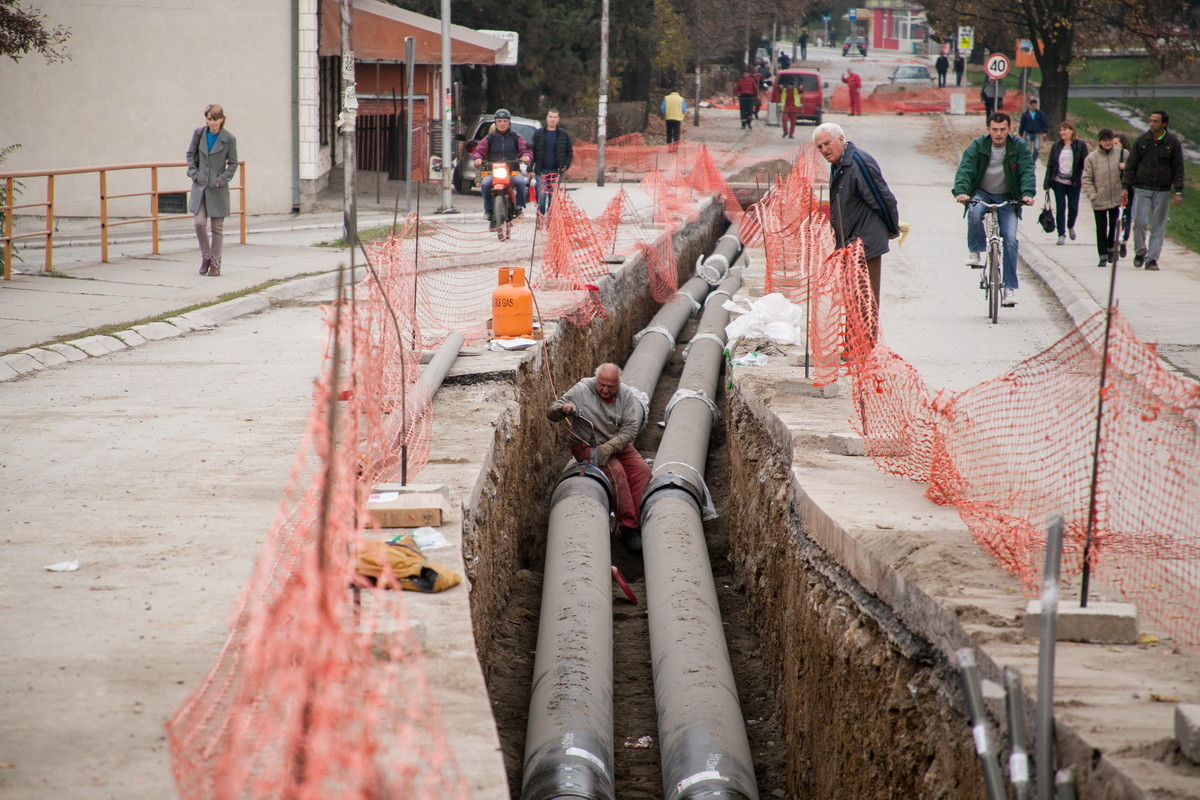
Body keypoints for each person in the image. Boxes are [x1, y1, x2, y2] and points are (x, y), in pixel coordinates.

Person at [546, 364, 651, 552]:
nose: (605, 390)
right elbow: (552, 412)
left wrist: (609, 447)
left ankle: (639, 519)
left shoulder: (625, 395)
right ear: (596, 380)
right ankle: (628, 527)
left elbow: (630, 429)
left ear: (618, 384)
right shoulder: (582, 389)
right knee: (616, 473)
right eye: (602, 385)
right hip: (587, 445)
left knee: (641, 471)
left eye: (611, 387)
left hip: (614, 444)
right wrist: (563, 408)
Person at [813, 122, 900, 342]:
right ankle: (854, 344)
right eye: (820, 147)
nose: (824, 150)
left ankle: (864, 347)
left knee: (865, 296)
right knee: (852, 295)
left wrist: (892, 228)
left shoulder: (858, 163)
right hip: (849, 242)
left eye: (827, 143)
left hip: (866, 242)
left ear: (840, 139)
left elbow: (883, 198)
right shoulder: (839, 164)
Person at [952, 112, 1037, 307]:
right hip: (983, 193)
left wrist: (1027, 194)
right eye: (994, 130)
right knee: (974, 213)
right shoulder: (978, 146)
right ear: (988, 130)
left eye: (1002, 130)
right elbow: (966, 169)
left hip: (1008, 196)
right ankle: (975, 252)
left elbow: (1026, 170)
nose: (998, 134)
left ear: (1010, 129)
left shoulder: (1018, 146)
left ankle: (1009, 289)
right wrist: (962, 192)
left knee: (1010, 239)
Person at [1121, 110, 1185, 271]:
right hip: (1142, 187)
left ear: (1164, 124)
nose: (1152, 124)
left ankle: (1152, 259)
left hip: (1162, 190)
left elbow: (1178, 168)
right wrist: (1125, 187)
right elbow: (1131, 165)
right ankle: (1140, 251)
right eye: (1151, 121)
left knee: (1158, 225)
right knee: (1140, 222)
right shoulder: (1142, 141)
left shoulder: (1172, 143)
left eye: (1156, 121)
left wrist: (1178, 190)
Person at [186, 104, 238, 277]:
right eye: (209, 119)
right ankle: (206, 257)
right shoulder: (199, 134)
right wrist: (194, 174)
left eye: (215, 119)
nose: (211, 123)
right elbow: (190, 155)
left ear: (221, 119)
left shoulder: (229, 139)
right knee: (199, 223)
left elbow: (233, 163)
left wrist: (220, 180)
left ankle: (215, 265)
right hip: (200, 186)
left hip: (217, 188)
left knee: (217, 228)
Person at [472, 108, 532, 223]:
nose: (502, 124)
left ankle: (519, 207)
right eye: (499, 121)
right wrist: (478, 158)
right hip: (493, 172)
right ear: (495, 122)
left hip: (512, 171)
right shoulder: (489, 138)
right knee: (484, 184)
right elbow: (478, 151)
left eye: (505, 121)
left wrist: (526, 156)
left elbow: (525, 150)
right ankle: (488, 209)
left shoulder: (516, 137)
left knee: (520, 182)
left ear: (509, 122)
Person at [1081, 129, 1127, 268]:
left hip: (1116, 197)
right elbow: (1087, 179)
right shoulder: (1091, 158)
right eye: (1104, 140)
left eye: (1109, 140)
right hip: (1099, 198)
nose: (1107, 143)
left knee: (1114, 226)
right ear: (1099, 141)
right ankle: (1102, 255)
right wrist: (1092, 195)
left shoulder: (1123, 154)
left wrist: (1124, 169)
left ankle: (1111, 249)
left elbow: (1131, 172)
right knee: (1101, 228)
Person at [1044, 121, 1088, 245]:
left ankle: (1070, 226)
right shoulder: (1056, 146)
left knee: (1073, 208)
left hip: (1073, 182)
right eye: (1061, 130)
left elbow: (1086, 163)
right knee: (1060, 208)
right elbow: (1050, 165)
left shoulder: (1080, 146)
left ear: (1072, 131)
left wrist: (1086, 178)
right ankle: (1061, 234)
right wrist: (1047, 184)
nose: (1062, 132)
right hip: (1059, 182)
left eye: (1065, 129)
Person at [531, 108, 573, 216]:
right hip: (541, 171)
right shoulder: (539, 134)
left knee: (553, 197)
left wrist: (565, 165)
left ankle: (551, 220)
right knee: (542, 195)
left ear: (558, 119)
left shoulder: (563, 135)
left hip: (556, 171)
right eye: (550, 117)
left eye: (555, 117)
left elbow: (569, 152)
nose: (552, 119)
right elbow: (533, 151)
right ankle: (541, 216)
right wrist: (530, 167)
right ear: (547, 118)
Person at [1116, 133, 1133, 256]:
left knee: (1126, 217)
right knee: (1115, 218)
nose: (1113, 146)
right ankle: (1114, 243)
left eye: (1116, 143)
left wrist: (1125, 167)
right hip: (1113, 191)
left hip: (1128, 192)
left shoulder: (1129, 156)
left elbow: (1136, 171)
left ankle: (1123, 240)